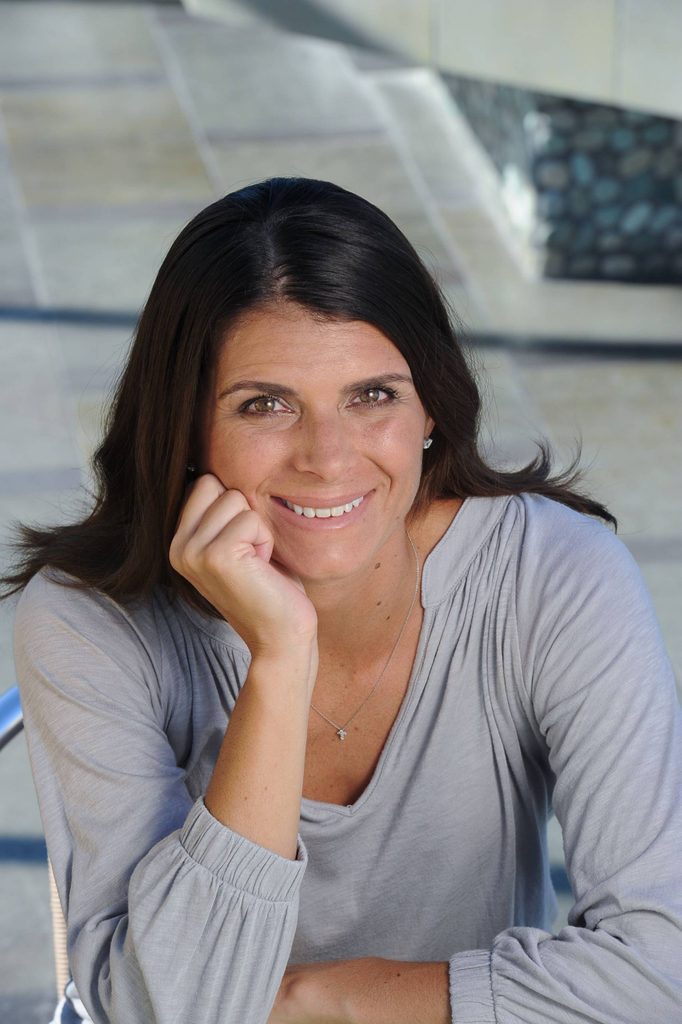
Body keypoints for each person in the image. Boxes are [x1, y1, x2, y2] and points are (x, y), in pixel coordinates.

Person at [4, 177, 681, 1024]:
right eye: (266, 405)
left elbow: (661, 967)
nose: (328, 457)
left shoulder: (552, 575)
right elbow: (162, 1011)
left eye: (373, 396)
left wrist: (328, 998)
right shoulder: (88, 623)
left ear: (430, 404)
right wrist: (281, 662)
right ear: (186, 428)